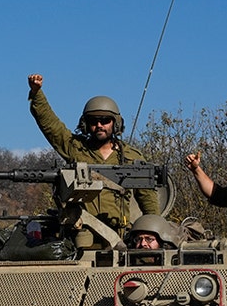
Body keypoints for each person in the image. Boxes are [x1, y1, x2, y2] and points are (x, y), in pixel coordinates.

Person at [27, 74, 159, 233]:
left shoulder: (131, 157)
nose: (99, 125)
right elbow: (51, 127)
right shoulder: (76, 149)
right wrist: (37, 93)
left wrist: (154, 232)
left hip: (119, 237)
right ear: (85, 124)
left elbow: (148, 201)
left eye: (105, 120)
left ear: (115, 123)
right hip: (80, 234)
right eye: (93, 121)